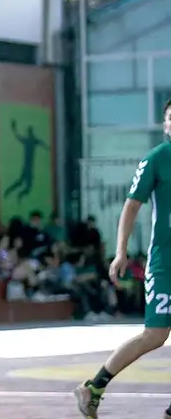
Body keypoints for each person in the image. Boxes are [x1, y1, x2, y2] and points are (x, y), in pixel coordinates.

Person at [75, 98, 171, 419]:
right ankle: (94, 386)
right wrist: (120, 251)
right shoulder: (157, 159)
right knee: (155, 335)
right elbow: (131, 206)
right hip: (165, 262)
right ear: (165, 125)